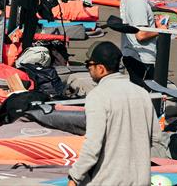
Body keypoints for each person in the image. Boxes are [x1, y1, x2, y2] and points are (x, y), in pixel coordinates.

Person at [67, 41, 159, 186]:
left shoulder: (97, 96)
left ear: (101, 68)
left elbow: (92, 146)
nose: (88, 70)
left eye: (89, 65)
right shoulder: (142, 93)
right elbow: (156, 137)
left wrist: (74, 177)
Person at [119, 0, 157, 86]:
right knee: (146, 93)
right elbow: (140, 35)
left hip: (131, 53)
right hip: (142, 57)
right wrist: (161, 29)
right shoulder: (137, 2)